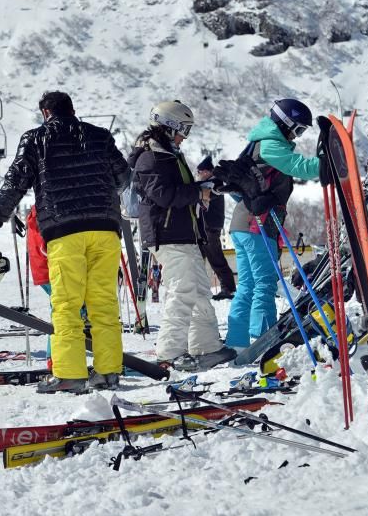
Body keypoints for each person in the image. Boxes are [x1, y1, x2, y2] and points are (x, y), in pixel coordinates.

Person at [0, 91, 129, 394]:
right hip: (105, 228)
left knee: (66, 305)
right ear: (72, 110)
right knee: (103, 302)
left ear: (46, 113)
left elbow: (16, 181)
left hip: (65, 230)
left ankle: (70, 374)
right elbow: (123, 178)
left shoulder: (36, 138)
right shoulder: (99, 135)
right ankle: (109, 372)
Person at [130, 102, 235, 371]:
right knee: (182, 292)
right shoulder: (151, 157)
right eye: (183, 129)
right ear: (169, 126)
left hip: (183, 234)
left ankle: (206, 346)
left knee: (199, 292)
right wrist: (198, 193)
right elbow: (162, 194)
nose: (185, 136)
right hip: (167, 235)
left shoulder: (168, 154)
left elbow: (179, 188)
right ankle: (170, 353)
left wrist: (206, 186)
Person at [222, 98, 320, 352]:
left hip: (243, 223)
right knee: (264, 283)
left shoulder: (256, 145)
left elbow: (237, 189)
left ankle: (238, 341)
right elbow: (301, 167)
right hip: (256, 225)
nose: (297, 136)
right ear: (285, 124)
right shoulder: (271, 146)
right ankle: (264, 341)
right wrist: (330, 163)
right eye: (298, 130)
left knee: (248, 284)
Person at [197, 155, 236, 300]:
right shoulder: (210, 183)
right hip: (206, 227)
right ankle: (200, 288)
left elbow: (206, 196)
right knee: (201, 258)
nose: (199, 175)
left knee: (216, 258)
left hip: (210, 227)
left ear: (207, 171)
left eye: (200, 171)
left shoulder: (214, 183)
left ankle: (229, 288)